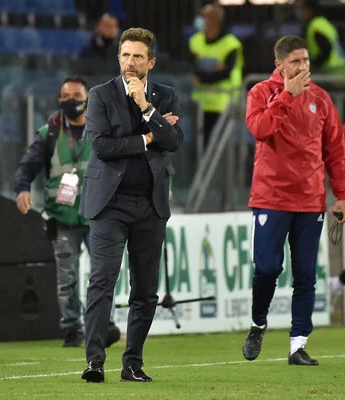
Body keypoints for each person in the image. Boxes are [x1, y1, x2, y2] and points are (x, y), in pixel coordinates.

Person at [79, 28, 183, 383]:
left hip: (150, 205)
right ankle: (94, 360)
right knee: (102, 281)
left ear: (150, 62)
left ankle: (132, 363)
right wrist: (149, 135)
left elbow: (174, 142)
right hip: (110, 204)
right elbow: (102, 147)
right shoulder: (100, 95)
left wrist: (145, 107)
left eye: (138, 56)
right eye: (125, 55)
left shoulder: (165, 96)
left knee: (145, 290)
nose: (130, 62)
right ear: (118, 57)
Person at [242, 35, 345, 366]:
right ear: (280, 65)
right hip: (271, 197)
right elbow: (259, 129)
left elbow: (335, 150)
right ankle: (259, 323)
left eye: (305, 61)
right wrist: (287, 95)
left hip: (310, 200)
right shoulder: (261, 93)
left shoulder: (322, 99)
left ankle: (297, 345)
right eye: (295, 62)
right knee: (268, 269)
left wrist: (341, 195)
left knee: (305, 275)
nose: (302, 67)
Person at [13, 76, 121, 348]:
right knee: (67, 278)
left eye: (77, 95)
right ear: (59, 100)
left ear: (89, 99)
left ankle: (103, 324)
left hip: (99, 214)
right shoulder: (48, 133)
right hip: (62, 217)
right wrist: (22, 188)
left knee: (103, 273)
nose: (72, 100)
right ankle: (72, 327)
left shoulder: (104, 129)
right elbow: (27, 166)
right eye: (66, 96)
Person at [189, 3, 243, 150]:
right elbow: (190, 66)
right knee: (199, 148)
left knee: (220, 150)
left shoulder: (231, 44)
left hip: (223, 103)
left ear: (215, 20)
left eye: (204, 17)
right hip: (200, 102)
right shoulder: (195, 41)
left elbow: (226, 72)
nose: (200, 20)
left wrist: (202, 77)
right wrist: (212, 70)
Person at [295, 0, 345, 73]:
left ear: (308, 9)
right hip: (339, 69)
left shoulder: (315, 26)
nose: (300, 12)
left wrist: (314, 65)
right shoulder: (323, 22)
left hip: (330, 71)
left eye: (301, 8)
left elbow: (327, 49)